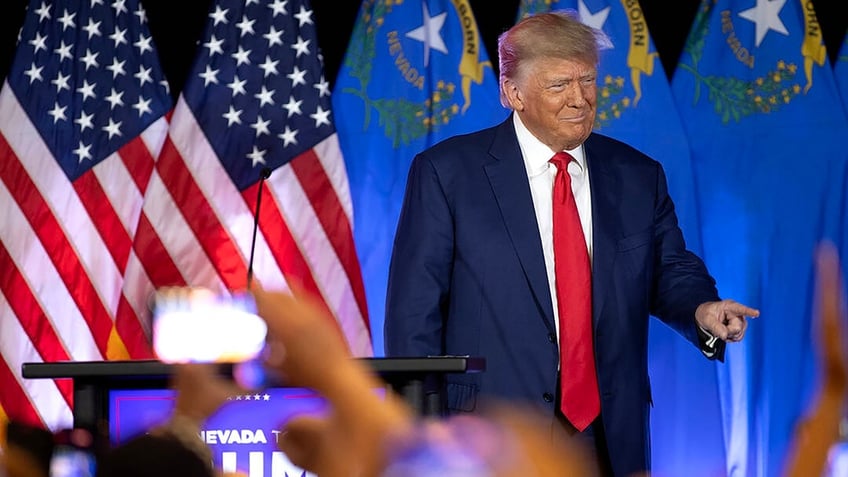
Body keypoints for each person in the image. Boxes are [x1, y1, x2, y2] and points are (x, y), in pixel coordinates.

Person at [383, 11, 759, 476]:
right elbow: (413, 315)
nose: (579, 99)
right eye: (559, 84)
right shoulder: (447, 173)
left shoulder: (638, 176)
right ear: (512, 93)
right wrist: (422, 437)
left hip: (606, 436)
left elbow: (669, 268)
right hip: (486, 436)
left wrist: (702, 310)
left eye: (588, 81)